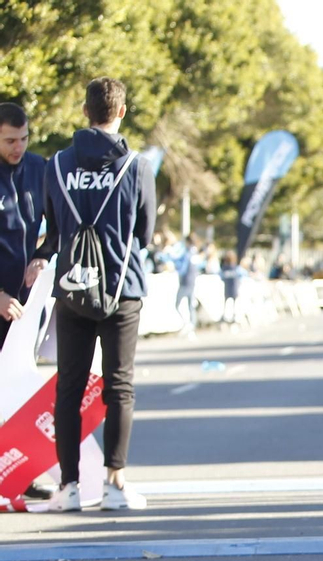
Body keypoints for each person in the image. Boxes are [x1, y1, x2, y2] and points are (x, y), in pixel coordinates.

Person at [39, 77, 157, 512]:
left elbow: (53, 228)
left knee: (68, 387)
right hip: (122, 289)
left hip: (72, 288)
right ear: (121, 112)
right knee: (119, 386)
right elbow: (143, 233)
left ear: (85, 111)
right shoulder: (137, 167)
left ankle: (68, 487)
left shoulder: (56, 165)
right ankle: (114, 482)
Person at [0, 101, 48, 353]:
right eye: (10, 141)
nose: (19, 147)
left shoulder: (39, 168)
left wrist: (43, 256)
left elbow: (62, 223)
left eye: (24, 138)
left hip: (24, 305)